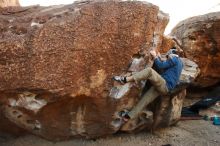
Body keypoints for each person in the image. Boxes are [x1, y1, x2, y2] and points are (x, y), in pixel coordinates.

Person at [113, 47, 183, 121]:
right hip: (165, 89)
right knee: (145, 100)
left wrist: (155, 56)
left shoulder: (175, 59)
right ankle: (128, 117)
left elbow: (161, 66)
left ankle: (125, 79)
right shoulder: (180, 63)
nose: (167, 58)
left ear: (171, 54)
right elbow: (166, 68)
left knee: (149, 71)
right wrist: (159, 58)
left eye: (168, 57)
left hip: (164, 84)